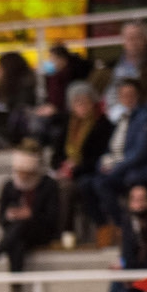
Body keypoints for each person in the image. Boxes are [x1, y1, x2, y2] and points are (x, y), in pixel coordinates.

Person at [80, 79, 147, 241]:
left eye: (130, 94)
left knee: (101, 183)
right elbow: (112, 149)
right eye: (123, 95)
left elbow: (141, 152)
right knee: (85, 183)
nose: (127, 98)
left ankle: (124, 226)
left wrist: (116, 168)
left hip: (142, 171)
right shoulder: (124, 117)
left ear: (139, 95)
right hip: (124, 169)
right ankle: (104, 227)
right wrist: (103, 163)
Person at [0, 143, 59, 292]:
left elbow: (53, 218)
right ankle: (16, 288)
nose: (22, 176)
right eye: (20, 172)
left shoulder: (48, 185)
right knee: (17, 242)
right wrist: (11, 215)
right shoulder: (9, 186)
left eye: (26, 172)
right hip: (16, 234)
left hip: (41, 231)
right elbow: (0, 218)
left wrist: (31, 215)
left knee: (20, 227)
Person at [50, 81, 113, 241]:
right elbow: (56, 154)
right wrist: (61, 166)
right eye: (77, 103)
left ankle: (66, 234)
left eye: (85, 102)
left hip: (89, 172)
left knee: (68, 189)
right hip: (68, 172)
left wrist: (75, 169)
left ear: (93, 102)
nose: (82, 106)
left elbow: (99, 157)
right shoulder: (68, 124)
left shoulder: (102, 124)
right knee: (47, 186)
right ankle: (49, 233)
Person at [98, 185, 147, 292]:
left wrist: (128, 270)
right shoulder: (129, 221)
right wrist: (122, 264)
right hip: (132, 273)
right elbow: (128, 253)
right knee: (118, 287)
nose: (139, 203)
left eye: (142, 199)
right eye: (135, 199)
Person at [89, 21, 147, 121]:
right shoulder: (108, 69)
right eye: (129, 38)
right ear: (123, 41)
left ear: (146, 41)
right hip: (105, 121)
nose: (133, 42)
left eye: (137, 37)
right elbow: (88, 92)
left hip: (137, 121)